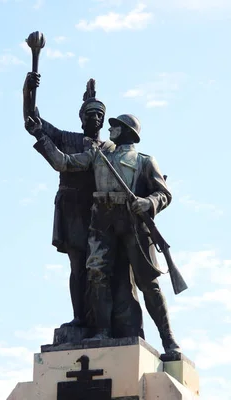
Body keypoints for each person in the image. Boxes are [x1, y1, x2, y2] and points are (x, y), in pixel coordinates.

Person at [26, 113, 181, 355]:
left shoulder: (144, 160)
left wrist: (148, 202)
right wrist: (40, 135)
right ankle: (102, 331)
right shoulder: (99, 155)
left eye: (115, 126)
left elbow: (164, 193)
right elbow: (64, 162)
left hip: (132, 221)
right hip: (102, 222)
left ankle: (169, 341)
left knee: (148, 283)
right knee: (97, 275)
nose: (110, 129)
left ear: (128, 131)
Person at [23, 73, 143, 338]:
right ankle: (80, 319)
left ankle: (105, 323)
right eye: (90, 115)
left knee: (102, 270)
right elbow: (33, 121)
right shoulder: (67, 138)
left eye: (100, 116)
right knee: (78, 267)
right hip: (72, 209)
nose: (96, 120)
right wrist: (27, 91)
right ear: (81, 118)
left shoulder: (110, 146)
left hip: (101, 213)